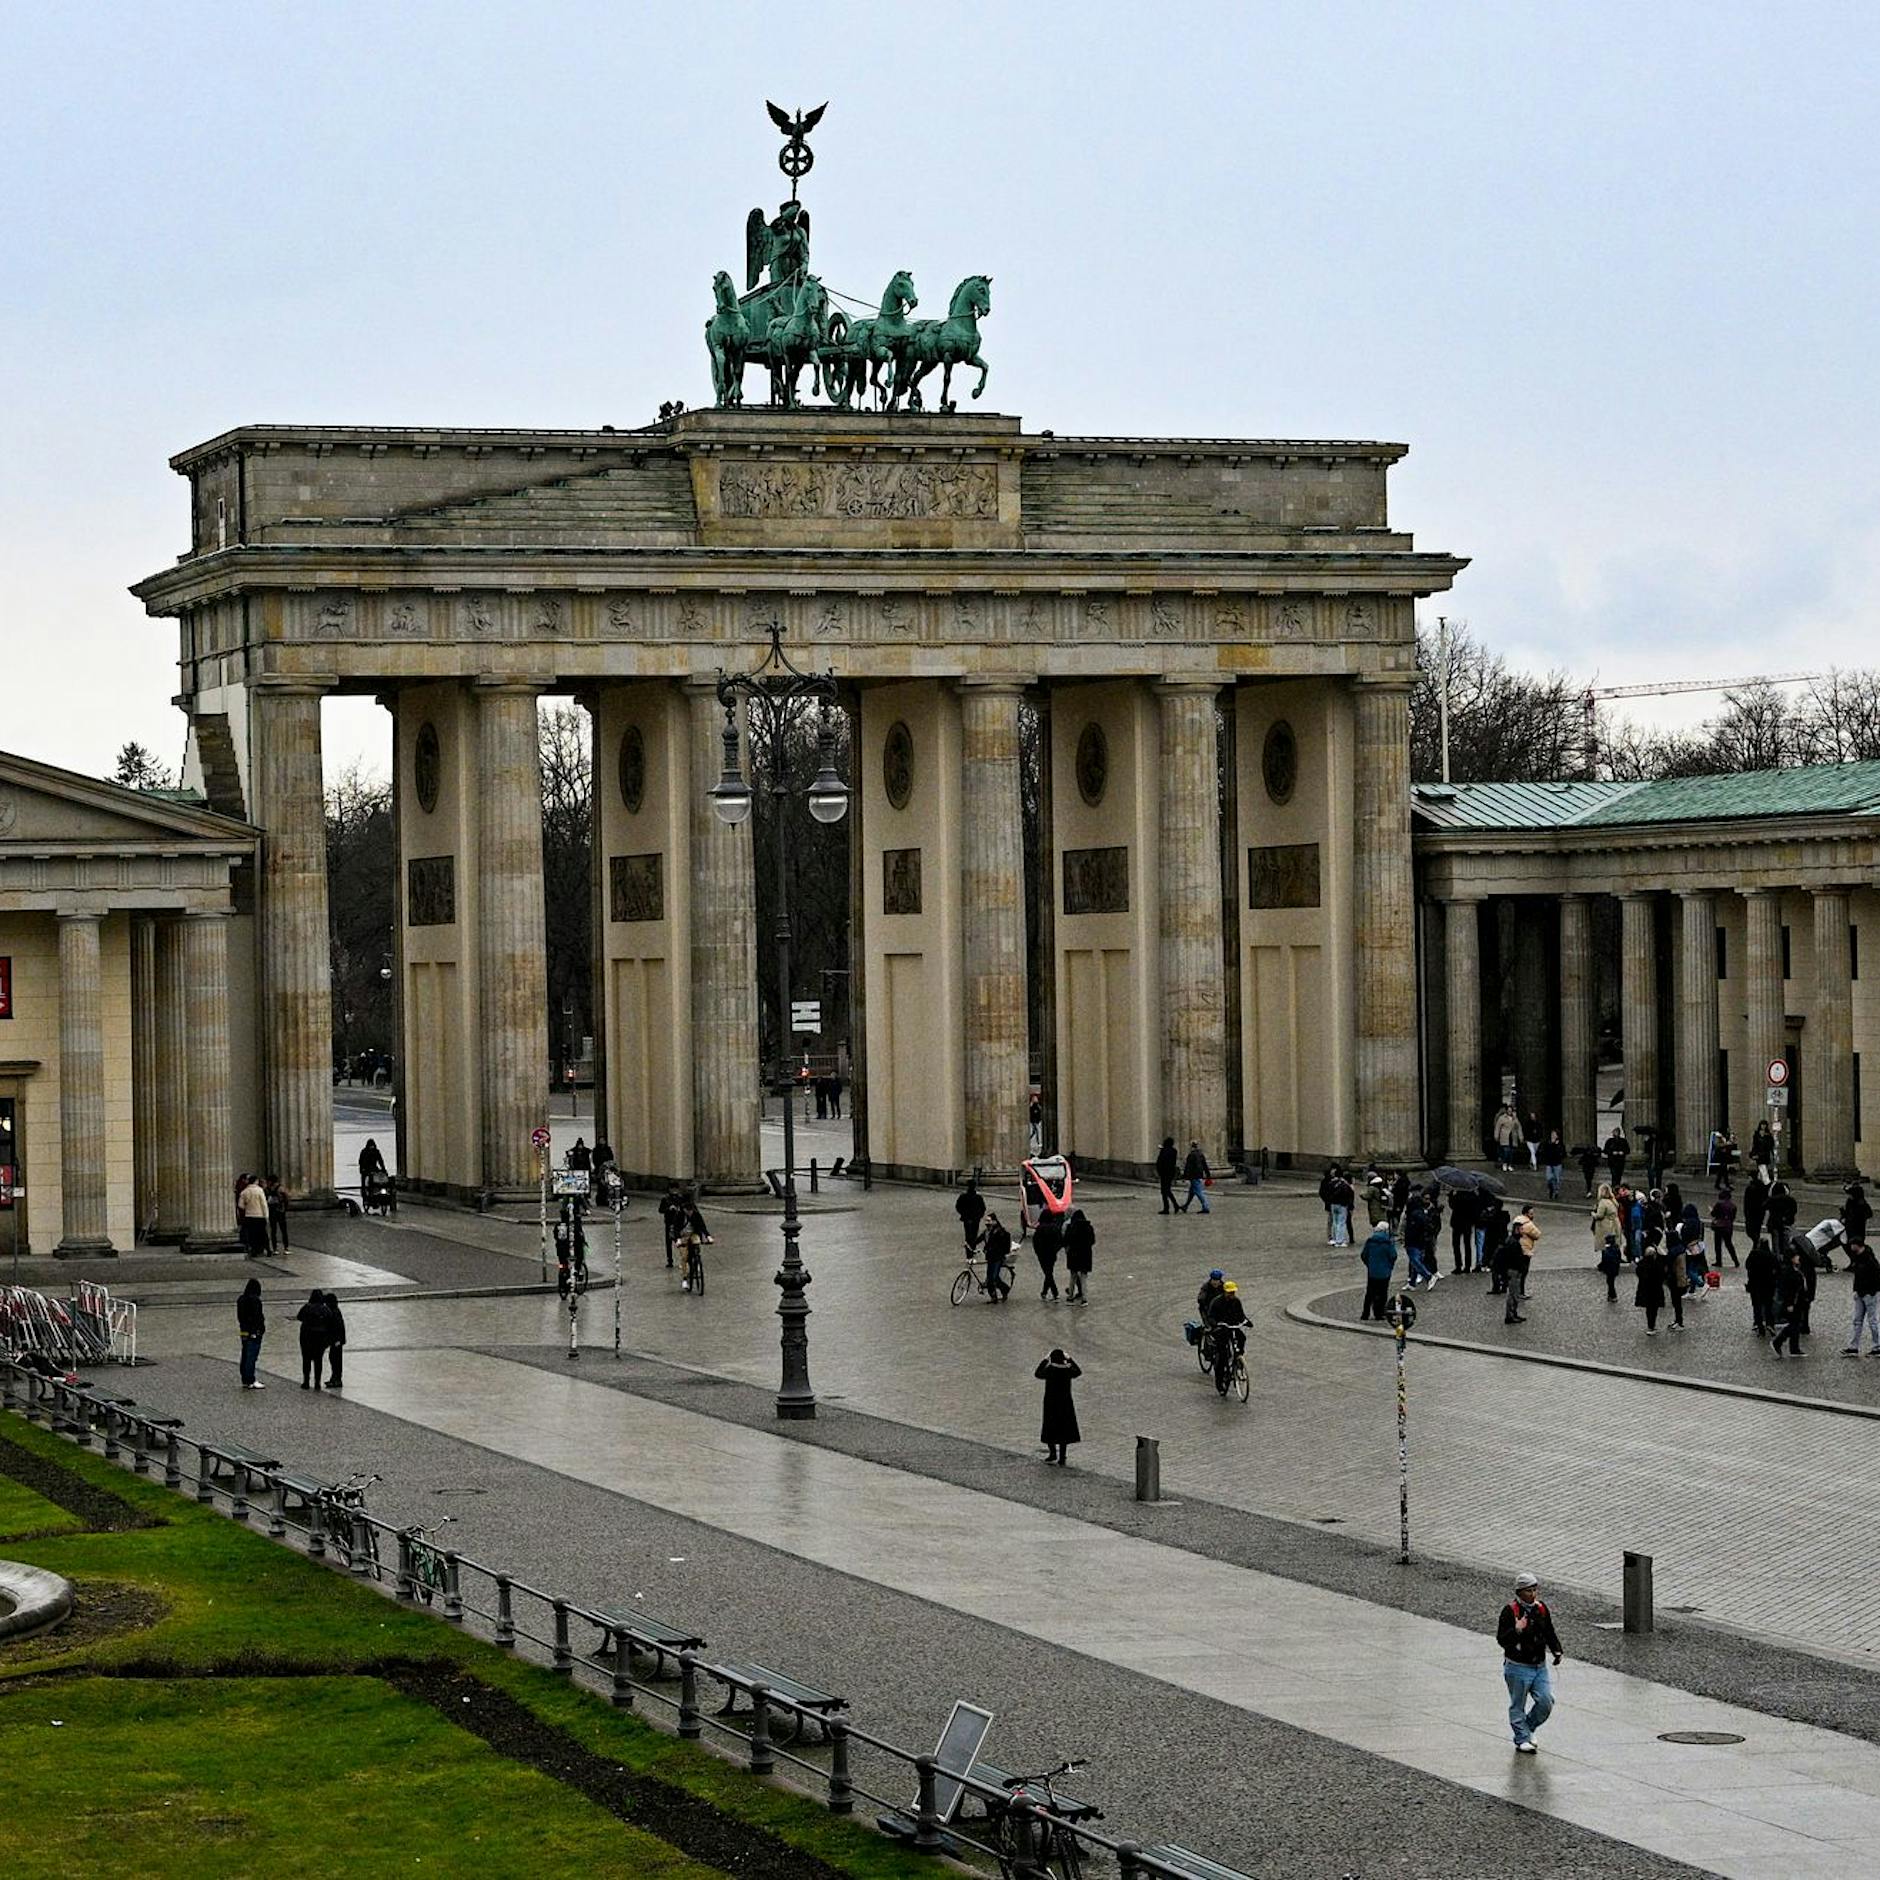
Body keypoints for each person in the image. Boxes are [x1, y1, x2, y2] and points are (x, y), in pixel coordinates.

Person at [1497, 1572, 1564, 1754]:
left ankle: (1528, 1727)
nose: (1533, 1594)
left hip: (1539, 1665)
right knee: (1518, 1703)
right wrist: (1516, 1630)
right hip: (1517, 1666)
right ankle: (1521, 1738)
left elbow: (1549, 1631)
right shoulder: (1510, 1611)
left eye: (1535, 1590)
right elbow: (1502, 1639)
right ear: (1519, 1592)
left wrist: (1556, 1649)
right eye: (1528, 1591)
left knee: (1546, 1701)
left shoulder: (1541, 1609)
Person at [1035, 1348, 1081, 1465]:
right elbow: (1078, 1371)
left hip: (1051, 1403)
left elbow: (1038, 1373)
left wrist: (1045, 1360)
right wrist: (1070, 1359)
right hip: (1065, 1403)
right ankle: (1062, 1457)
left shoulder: (1050, 1370)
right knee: (1063, 1430)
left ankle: (1052, 1453)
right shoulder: (1067, 1370)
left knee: (1050, 1428)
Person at [1206, 1279, 1249, 1391]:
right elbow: (1210, 1316)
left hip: (1233, 1327)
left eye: (1233, 1293)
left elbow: (1241, 1314)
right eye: (1230, 1293)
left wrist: (1246, 1321)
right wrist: (1215, 1324)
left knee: (1242, 1337)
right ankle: (1219, 1382)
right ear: (1224, 1292)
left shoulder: (1236, 1302)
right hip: (1221, 1329)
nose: (1232, 1295)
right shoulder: (1216, 1302)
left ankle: (1238, 1356)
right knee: (1222, 1355)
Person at [1770, 1246, 1812, 1357]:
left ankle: (1794, 1348)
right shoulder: (1789, 1272)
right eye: (1796, 1256)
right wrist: (1789, 1303)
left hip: (1798, 1302)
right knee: (1794, 1325)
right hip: (1793, 1303)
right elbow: (1789, 1290)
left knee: (1796, 1324)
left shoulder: (1794, 1269)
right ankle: (1779, 1342)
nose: (1798, 1257)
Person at [1844, 1238, 1880, 1357]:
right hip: (1861, 1293)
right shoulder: (1862, 1257)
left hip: (1868, 1293)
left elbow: (1875, 1277)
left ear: (1857, 1246)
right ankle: (1854, 1347)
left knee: (1872, 1321)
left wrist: (1871, 1291)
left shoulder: (1869, 1260)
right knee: (1858, 1321)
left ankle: (1877, 1347)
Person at [1504, 1206, 1539, 1324]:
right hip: (1516, 1266)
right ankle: (1511, 1314)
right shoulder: (1527, 1226)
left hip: (1513, 1266)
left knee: (1514, 1291)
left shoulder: (1513, 1237)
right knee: (1513, 1292)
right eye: (1531, 1213)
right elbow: (1537, 1234)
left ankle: (1513, 1313)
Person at [294, 1287, 332, 1390]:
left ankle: (306, 1381)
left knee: (306, 1360)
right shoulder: (325, 1309)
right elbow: (330, 1320)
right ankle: (317, 1383)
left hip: (306, 1337)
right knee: (318, 1360)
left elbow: (299, 1317)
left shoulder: (307, 1307)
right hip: (320, 1338)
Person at [1359, 1221, 1397, 1321]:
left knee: (1369, 1293)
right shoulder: (1388, 1242)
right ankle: (1379, 1313)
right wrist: (1389, 1266)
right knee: (1382, 1293)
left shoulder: (1370, 1241)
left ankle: (1365, 1313)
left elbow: (1364, 1255)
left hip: (1372, 1272)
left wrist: (1369, 1265)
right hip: (1385, 1272)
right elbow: (1393, 1255)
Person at [1744, 1235, 1779, 1336]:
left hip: (1755, 1284)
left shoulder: (1753, 1254)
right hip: (1768, 1285)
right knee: (1768, 1305)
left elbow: (1747, 1266)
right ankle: (1770, 1324)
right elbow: (1777, 1269)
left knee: (1756, 1305)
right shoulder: (1771, 1256)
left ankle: (1759, 1324)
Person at [236, 1278, 266, 1389]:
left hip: (244, 1330)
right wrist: (258, 1330)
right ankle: (250, 1379)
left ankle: (245, 1378)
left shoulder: (241, 1299)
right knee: (252, 1356)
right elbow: (257, 1317)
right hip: (254, 1331)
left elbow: (241, 1317)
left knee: (245, 1354)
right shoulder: (255, 1300)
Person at [1634, 1236, 1668, 1335]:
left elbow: (1638, 1273)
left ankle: (1650, 1326)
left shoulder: (1641, 1264)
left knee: (1649, 1309)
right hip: (1655, 1290)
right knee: (1654, 1309)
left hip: (1645, 1290)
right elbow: (1663, 1275)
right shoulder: (1657, 1265)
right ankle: (1652, 1326)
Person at [1063, 1207, 1095, 1303]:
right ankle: (1084, 1299)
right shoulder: (1089, 1227)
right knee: (1083, 1277)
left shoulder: (1070, 1227)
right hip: (1086, 1255)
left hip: (1073, 1255)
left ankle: (1070, 1297)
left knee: (1073, 1276)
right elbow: (1092, 1241)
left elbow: (1066, 1241)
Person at [237, 1172, 270, 1257]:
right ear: (256, 1181)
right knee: (262, 1233)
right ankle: (267, 1249)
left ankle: (254, 1250)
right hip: (259, 1215)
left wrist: (247, 1208)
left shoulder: (245, 1191)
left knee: (252, 1234)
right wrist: (266, 1215)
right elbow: (263, 1204)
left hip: (249, 1215)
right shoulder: (259, 1190)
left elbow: (240, 1205)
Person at [982, 1212, 1013, 1302]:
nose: (986, 1223)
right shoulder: (987, 1231)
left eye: (989, 1221)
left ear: (994, 1221)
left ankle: (1004, 1289)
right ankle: (993, 1297)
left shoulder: (999, 1232)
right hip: (990, 1257)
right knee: (990, 1277)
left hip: (997, 1257)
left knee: (994, 1277)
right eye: (986, 1221)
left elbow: (999, 1244)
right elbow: (980, 1238)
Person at [1033, 1208, 1063, 1301]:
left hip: (1042, 1254)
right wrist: (1055, 1250)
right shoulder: (1055, 1228)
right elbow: (1060, 1241)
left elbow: (1035, 1242)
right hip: (1052, 1253)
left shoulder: (1040, 1228)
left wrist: (1037, 1252)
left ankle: (1054, 1292)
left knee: (1048, 1273)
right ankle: (1044, 1292)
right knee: (1049, 1272)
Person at [1449, 1185, 1480, 1273]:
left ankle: (1458, 1265)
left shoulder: (1457, 1196)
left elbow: (1452, 1205)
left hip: (1457, 1222)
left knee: (1456, 1244)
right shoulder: (1473, 1196)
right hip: (1467, 1223)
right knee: (1467, 1245)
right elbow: (1475, 1210)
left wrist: (1451, 1195)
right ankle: (1467, 1266)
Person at [1179, 1141, 1212, 1214]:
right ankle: (1185, 1206)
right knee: (1191, 1192)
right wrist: (1208, 1175)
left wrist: (1184, 1176)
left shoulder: (1191, 1155)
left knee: (1199, 1192)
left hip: (1193, 1176)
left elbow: (1188, 1167)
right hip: (1199, 1174)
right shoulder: (1201, 1154)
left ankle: (1205, 1207)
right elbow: (1205, 1165)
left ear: (1191, 1147)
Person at [322, 1291, 346, 1388]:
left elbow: (338, 1328)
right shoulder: (333, 1310)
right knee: (333, 1358)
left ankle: (337, 1379)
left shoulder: (334, 1312)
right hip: (335, 1341)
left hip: (337, 1341)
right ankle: (334, 1378)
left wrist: (337, 1341)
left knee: (336, 1360)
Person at [955, 1181, 987, 1254]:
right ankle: (972, 1249)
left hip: (968, 1218)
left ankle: (969, 1251)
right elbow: (983, 1208)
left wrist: (963, 1214)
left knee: (968, 1235)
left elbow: (958, 1207)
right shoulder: (978, 1197)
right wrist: (979, 1215)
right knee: (974, 1235)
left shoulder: (963, 1196)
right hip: (975, 1219)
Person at [1710, 1187, 1739, 1268]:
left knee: (1718, 1244)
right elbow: (1733, 1217)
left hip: (1719, 1226)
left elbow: (1713, 1214)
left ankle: (1719, 1261)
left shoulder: (1719, 1204)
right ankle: (1735, 1260)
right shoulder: (1733, 1206)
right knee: (1729, 1244)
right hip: (1728, 1226)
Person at [1743, 1168, 1770, 1249]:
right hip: (1760, 1211)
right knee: (1757, 1229)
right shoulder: (1762, 1186)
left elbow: (1746, 1201)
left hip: (1751, 1212)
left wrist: (1746, 1212)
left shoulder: (1750, 1187)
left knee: (1750, 1230)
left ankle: (1756, 1243)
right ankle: (1756, 1245)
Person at [263, 1174, 291, 1252]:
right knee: (283, 1230)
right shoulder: (281, 1188)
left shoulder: (267, 1189)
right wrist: (285, 1207)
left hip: (272, 1211)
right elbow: (287, 1198)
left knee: (273, 1230)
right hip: (280, 1210)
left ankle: (275, 1248)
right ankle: (286, 1247)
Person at [1328, 1168, 1355, 1249]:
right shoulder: (1344, 1184)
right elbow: (1348, 1195)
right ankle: (1340, 1241)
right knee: (1341, 1223)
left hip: (1333, 1204)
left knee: (1335, 1222)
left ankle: (1335, 1239)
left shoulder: (1331, 1183)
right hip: (1342, 1205)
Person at [1844, 1182, 1875, 1249]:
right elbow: (1847, 1213)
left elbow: (1869, 1214)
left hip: (1858, 1229)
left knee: (1857, 1246)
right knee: (1850, 1246)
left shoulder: (1861, 1203)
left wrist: (1861, 1217)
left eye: (1850, 1194)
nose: (1849, 1196)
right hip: (1849, 1228)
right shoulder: (1849, 1202)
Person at [1493, 1105, 1522, 1170]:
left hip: (1513, 1137)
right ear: (1506, 1111)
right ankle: (1505, 1163)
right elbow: (1498, 1127)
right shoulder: (1502, 1118)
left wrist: (1520, 1136)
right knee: (1506, 1151)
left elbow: (1519, 1127)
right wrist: (1496, 1136)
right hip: (1505, 1137)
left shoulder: (1515, 1118)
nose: (1510, 1112)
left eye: (1511, 1111)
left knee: (1511, 1153)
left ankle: (1510, 1164)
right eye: (1508, 1110)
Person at [1157, 1138, 1181, 1216]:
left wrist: (1159, 1172)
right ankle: (1175, 1205)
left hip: (1164, 1173)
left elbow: (1160, 1162)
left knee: (1164, 1191)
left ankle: (1167, 1208)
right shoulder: (1174, 1151)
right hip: (1170, 1173)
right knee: (1167, 1190)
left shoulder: (1163, 1151)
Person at [1541, 1128, 1565, 1200]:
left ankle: (1556, 1192)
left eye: (1554, 1134)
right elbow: (1545, 1150)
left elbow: (1562, 1153)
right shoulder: (1548, 1143)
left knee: (1557, 1179)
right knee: (1549, 1178)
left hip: (1557, 1163)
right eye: (1552, 1134)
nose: (1553, 1136)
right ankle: (1551, 1188)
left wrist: (1556, 1146)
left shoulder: (1560, 1144)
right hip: (1549, 1163)